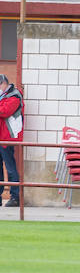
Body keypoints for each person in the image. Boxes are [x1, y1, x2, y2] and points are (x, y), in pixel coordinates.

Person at [0, 74, 22, 206]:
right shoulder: (4, 96)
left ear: (3, 84)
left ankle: (15, 196)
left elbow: (4, 111)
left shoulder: (14, 96)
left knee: (10, 167)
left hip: (7, 137)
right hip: (1, 137)